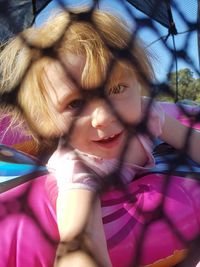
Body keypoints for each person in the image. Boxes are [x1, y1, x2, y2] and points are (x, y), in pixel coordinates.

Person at [1, 7, 200, 267]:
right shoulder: (77, 165)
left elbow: (191, 141)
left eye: (117, 88)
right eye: (75, 104)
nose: (105, 116)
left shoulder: (147, 112)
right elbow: (79, 240)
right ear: (47, 121)